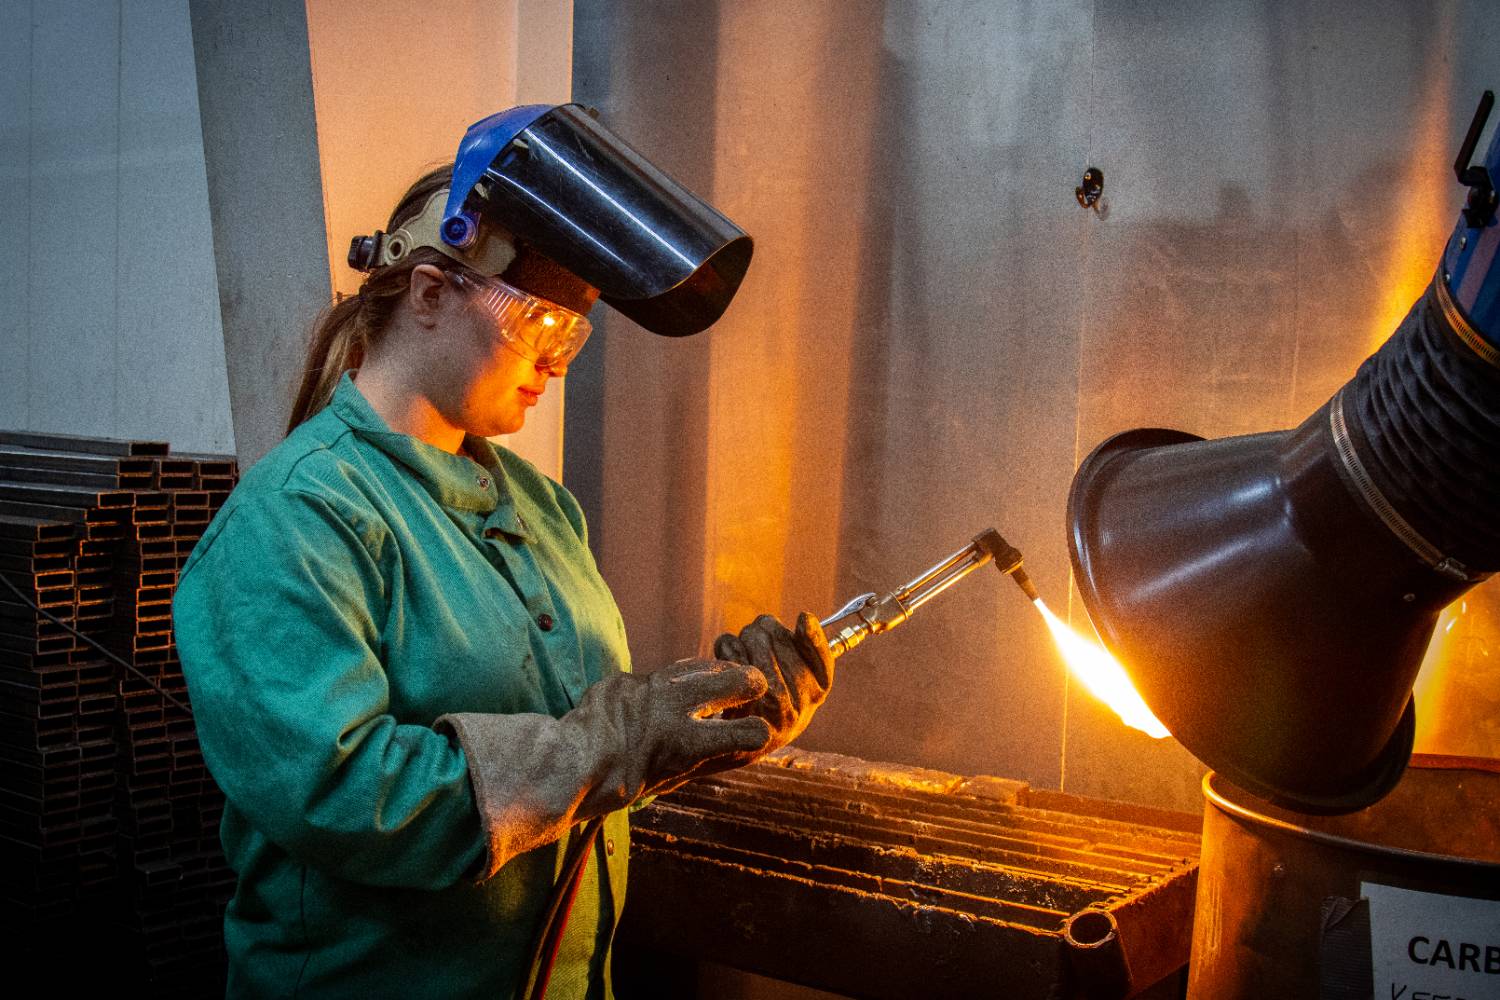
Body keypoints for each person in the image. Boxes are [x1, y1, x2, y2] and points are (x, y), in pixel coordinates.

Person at [173, 105, 835, 999]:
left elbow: (585, 752)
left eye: (576, 333)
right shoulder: (293, 521)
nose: (558, 361)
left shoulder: (543, 509)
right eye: (540, 323)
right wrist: (612, 744)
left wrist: (716, 724)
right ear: (431, 292)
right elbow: (348, 796)